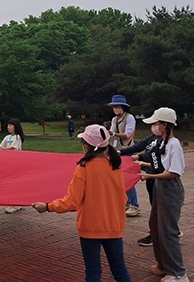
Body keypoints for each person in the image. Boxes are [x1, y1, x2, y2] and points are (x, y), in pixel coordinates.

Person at [32, 124, 131, 282]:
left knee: (93, 271)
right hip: (114, 226)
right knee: (120, 270)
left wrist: (47, 207)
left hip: (90, 228)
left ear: (86, 146)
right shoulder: (115, 166)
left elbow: (72, 201)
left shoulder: (84, 167)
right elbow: (122, 198)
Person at [139, 108, 189, 282]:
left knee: (168, 231)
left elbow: (174, 172)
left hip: (170, 189)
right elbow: (160, 165)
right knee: (156, 226)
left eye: (156, 123)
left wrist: (150, 175)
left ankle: (178, 273)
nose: (153, 126)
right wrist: (142, 164)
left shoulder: (174, 144)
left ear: (165, 125)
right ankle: (163, 265)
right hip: (160, 187)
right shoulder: (162, 142)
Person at [120, 132, 164, 247]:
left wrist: (142, 161)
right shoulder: (153, 137)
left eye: (156, 123)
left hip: (159, 178)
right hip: (151, 176)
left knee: (159, 208)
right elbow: (142, 147)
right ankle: (169, 230)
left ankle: (157, 235)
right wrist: (124, 152)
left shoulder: (167, 142)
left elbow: (163, 164)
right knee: (156, 206)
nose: (154, 126)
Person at [107, 95, 140, 217]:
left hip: (127, 150)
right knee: (118, 178)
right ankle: (124, 202)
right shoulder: (114, 120)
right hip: (116, 151)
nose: (115, 109)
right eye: (113, 107)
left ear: (123, 107)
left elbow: (128, 134)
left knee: (127, 178)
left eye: (117, 106)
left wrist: (114, 133)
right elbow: (111, 134)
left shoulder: (129, 118)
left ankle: (134, 205)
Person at [0, 118, 25, 214]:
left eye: (11, 125)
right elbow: (0, 147)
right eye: (8, 125)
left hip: (16, 164)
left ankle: (14, 204)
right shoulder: (7, 137)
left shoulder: (17, 137)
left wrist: (2, 148)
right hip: (7, 163)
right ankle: (16, 202)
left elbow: (12, 148)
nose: (8, 127)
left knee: (14, 183)